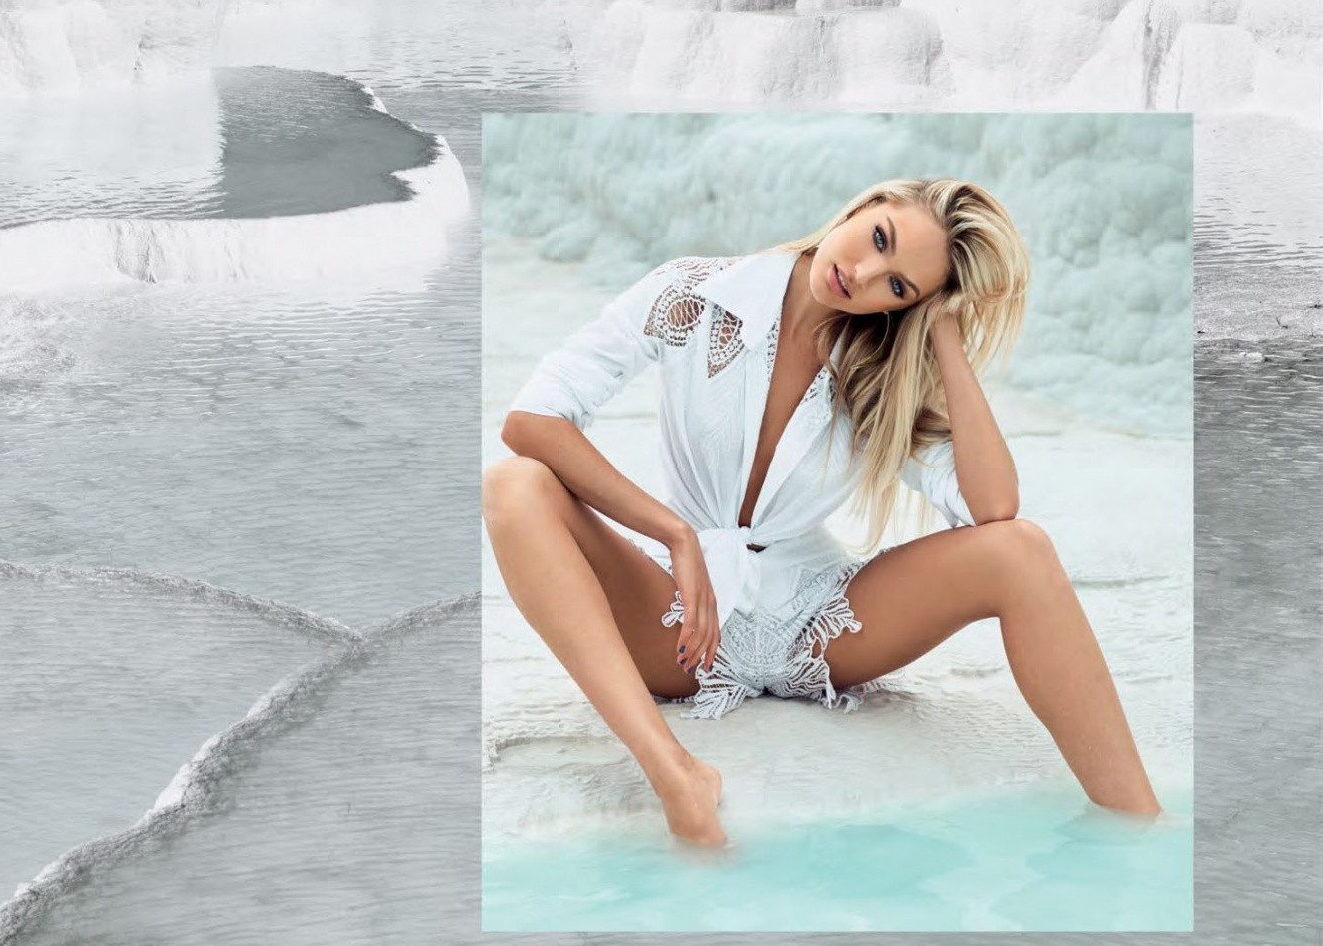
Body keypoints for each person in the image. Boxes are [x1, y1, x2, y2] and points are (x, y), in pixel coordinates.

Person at [482, 177, 1162, 848]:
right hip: (682, 622)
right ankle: (677, 776)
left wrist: (944, 336)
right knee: (514, 485)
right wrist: (674, 533)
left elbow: (993, 509)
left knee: (1023, 550)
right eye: (878, 239)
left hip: (816, 623)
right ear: (868, 204)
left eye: (897, 285)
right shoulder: (694, 294)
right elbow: (533, 418)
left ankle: (1141, 828)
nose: (862, 275)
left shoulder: (878, 367)